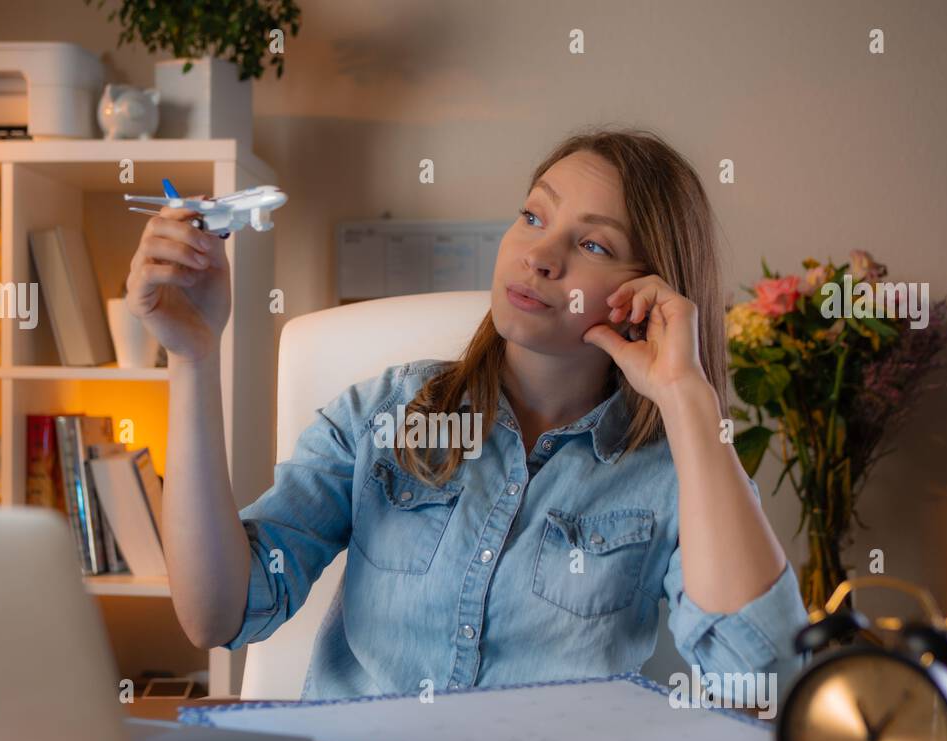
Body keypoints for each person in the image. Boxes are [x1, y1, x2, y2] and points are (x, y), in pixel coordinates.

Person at [124, 126, 810, 702]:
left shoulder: (676, 471)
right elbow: (218, 613)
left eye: (593, 245)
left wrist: (689, 400)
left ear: (651, 290)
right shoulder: (380, 414)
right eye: (533, 216)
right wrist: (192, 358)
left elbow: (767, 684)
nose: (540, 255)